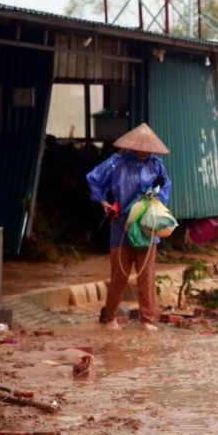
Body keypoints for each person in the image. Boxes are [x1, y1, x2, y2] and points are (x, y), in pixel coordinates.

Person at [86, 123, 172, 331]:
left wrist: (156, 198)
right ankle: (111, 318)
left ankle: (147, 320)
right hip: (120, 227)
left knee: (146, 275)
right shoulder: (116, 163)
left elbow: (166, 188)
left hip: (147, 227)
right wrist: (103, 202)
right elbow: (94, 179)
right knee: (119, 274)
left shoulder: (156, 166)